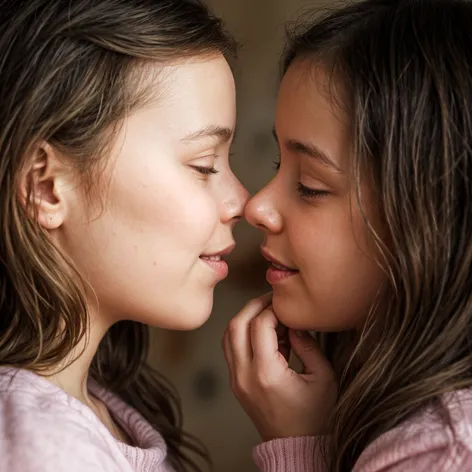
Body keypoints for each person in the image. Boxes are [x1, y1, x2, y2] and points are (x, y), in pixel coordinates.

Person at [0, 1, 250, 471]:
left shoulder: (99, 411)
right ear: (47, 187)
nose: (242, 201)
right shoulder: (44, 448)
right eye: (204, 166)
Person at [224, 0, 472, 470]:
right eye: (279, 165)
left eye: (310, 186)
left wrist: (298, 451)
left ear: (431, 218)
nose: (255, 206)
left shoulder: (445, 454)